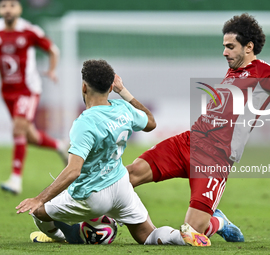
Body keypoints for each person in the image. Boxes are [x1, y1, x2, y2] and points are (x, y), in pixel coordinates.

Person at [127, 13, 270, 244]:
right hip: (189, 141)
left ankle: (219, 222)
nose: (224, 52)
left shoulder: (264, 73)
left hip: (215, 159)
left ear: (249, 47)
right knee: (129, 175)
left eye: (230, 47)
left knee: (190, 234)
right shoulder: (233, 71)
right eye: (224, 46)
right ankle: (103, 217)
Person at [15, 59, 210, 247]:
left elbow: (74, 170)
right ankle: (181, 236)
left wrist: (39, 198)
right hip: (121, 187)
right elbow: (151, 122)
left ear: (84, 87)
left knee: (37, 211)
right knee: (147, 235)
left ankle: (60, 236)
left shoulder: (84, 123)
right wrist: (123, 92)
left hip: (91, 196)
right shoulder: (124, 108)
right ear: (110, 88)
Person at [0, 0, 67, 195]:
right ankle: (60, 145)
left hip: (27, 90)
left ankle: (15, 179)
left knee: (18, 128)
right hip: (7, 91)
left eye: (12, 5)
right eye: (4, 5)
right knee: (29, 136)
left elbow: (53, 50)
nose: (8, 9)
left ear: (19, 9)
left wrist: (52, 70)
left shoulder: (29, 30)